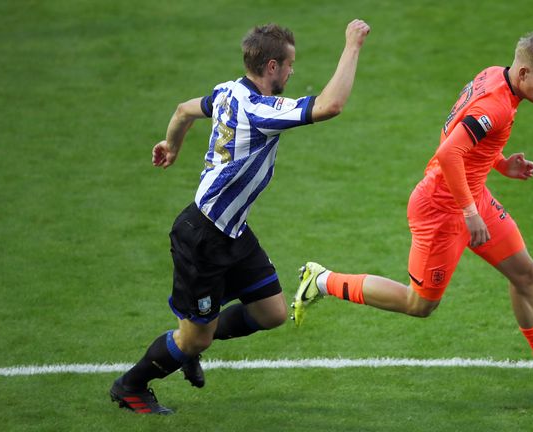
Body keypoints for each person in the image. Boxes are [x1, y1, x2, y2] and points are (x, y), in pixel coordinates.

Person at [110, 19, 371, 414]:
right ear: (271, 67)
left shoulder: (228, 91)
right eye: (288, 64)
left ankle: (196, 339)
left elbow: (183, 110)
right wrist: (352, 45)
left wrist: (171, 145)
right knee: (194, 338)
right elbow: (330, 105)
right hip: (202, 238)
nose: (292, 71)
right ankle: (131, 386)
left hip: (231, 230)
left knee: (272, 313)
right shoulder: (260, 110)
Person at [293, 32, 533, 388]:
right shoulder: (496, 106)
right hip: (441, 209)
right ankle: (322, 280)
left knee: (525, 274)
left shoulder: (495, 76)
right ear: (525, 74)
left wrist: (500, 165)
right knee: (419, 304)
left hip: (471, 196)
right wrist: (470, 213)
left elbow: (463, 137)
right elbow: (449, 153)